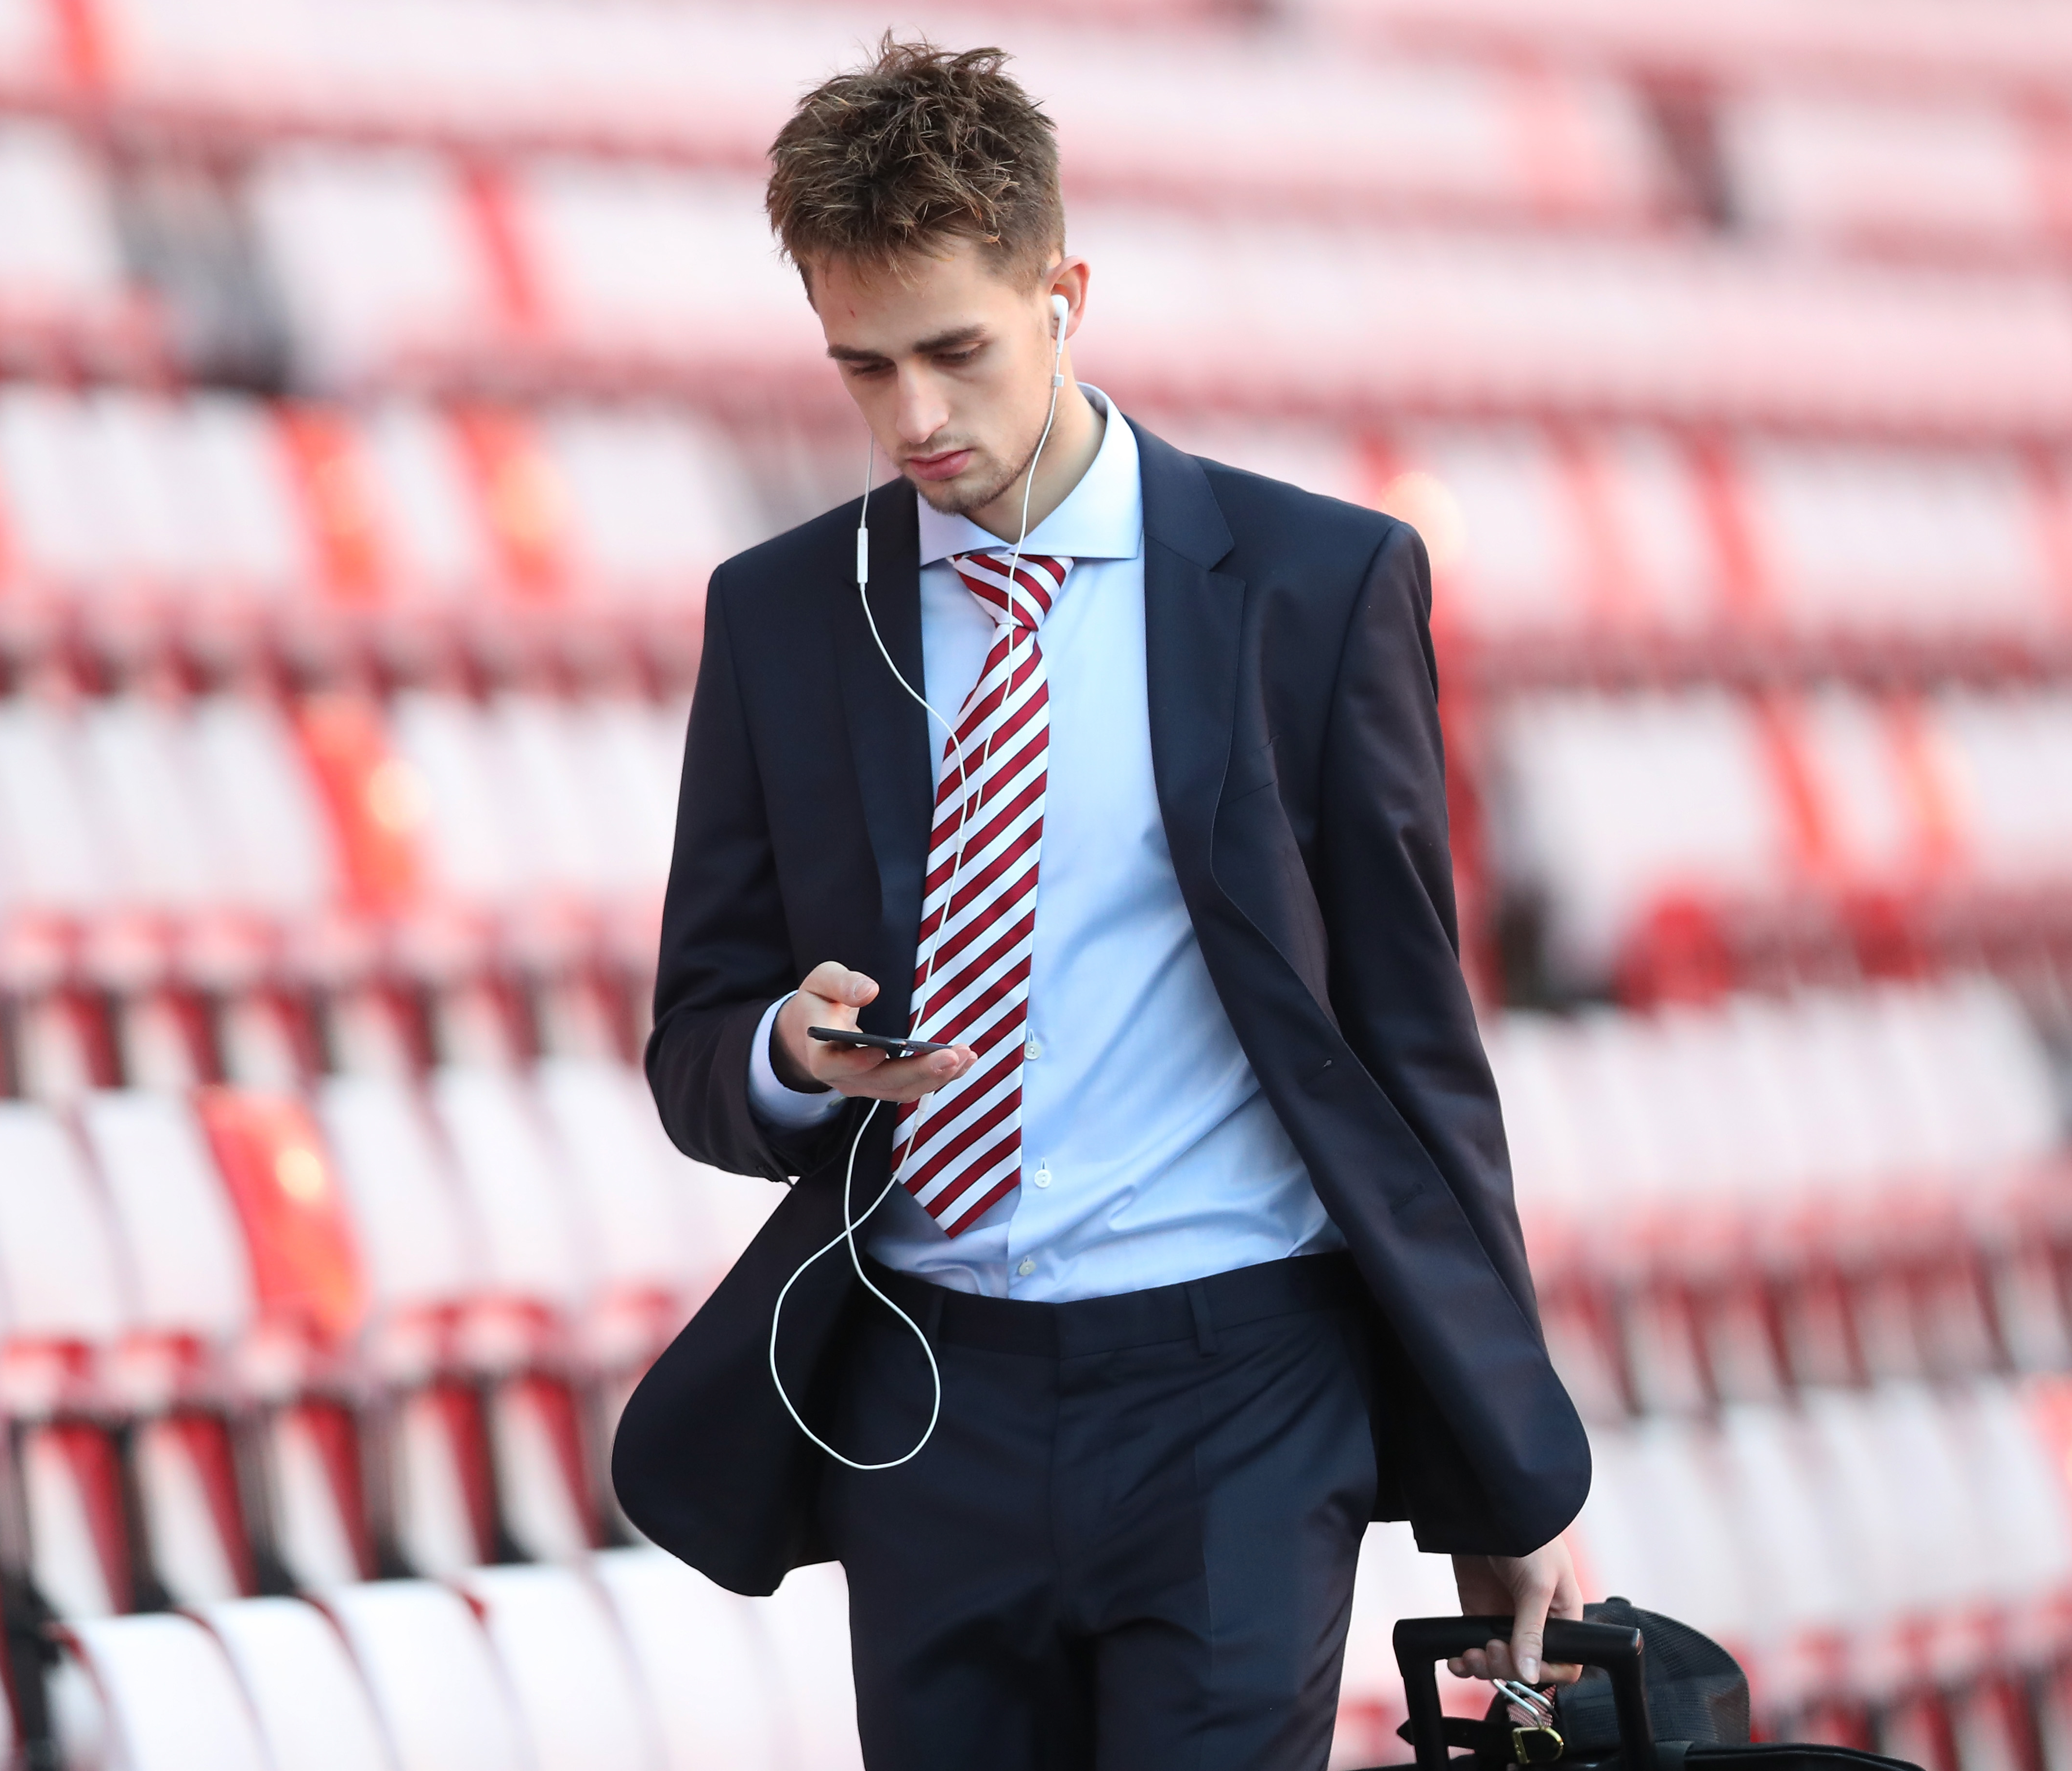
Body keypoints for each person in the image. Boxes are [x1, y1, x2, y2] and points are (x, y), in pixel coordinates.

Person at [613, 34, 1591, 1770]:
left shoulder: (1313, 585)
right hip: (925, 1395)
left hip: (1239, 1387)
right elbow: (697, 1040)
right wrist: (783, 1050)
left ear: (1062, 290)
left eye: (955, 351)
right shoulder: (777, 618)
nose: (915, 418)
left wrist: (1508, 1474)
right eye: (862, 369)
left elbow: (1411, 1048)